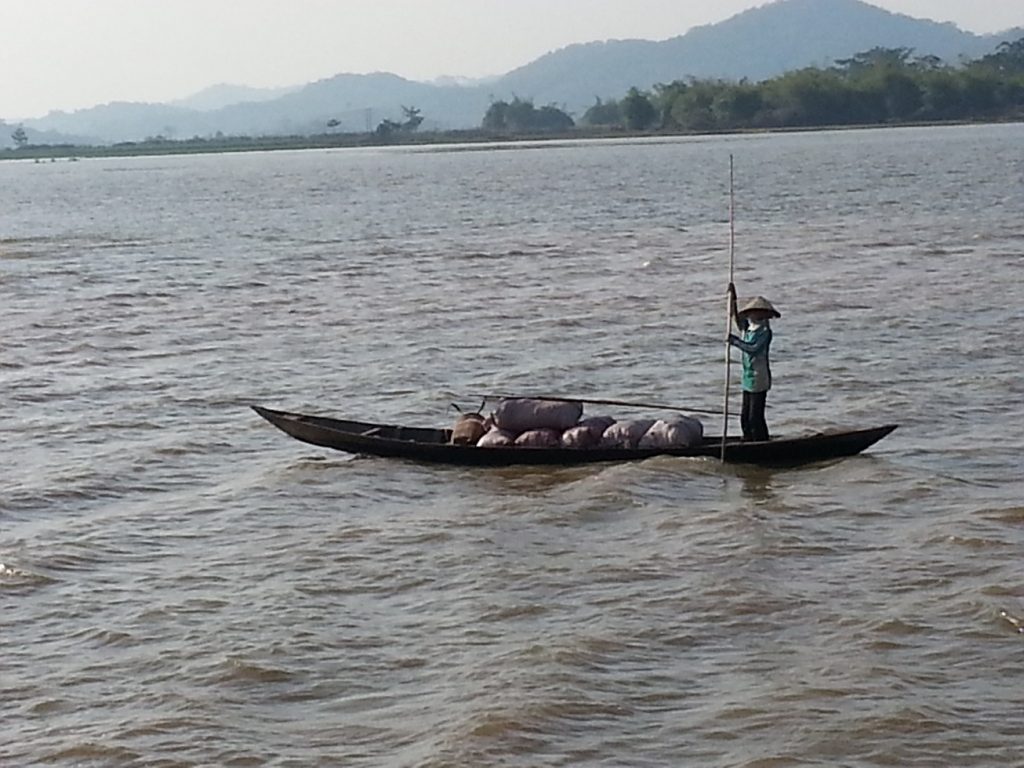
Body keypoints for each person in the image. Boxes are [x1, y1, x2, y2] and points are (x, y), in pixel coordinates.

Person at [727, 283, 781, 442]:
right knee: (744, 416)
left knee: (755, 417)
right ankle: (748, 439)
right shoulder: (748, 328)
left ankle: (761, 441)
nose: (752, 314)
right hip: (747, 377)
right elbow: (735, 317)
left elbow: (753, 349)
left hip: (759, 377)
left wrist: (735, 342)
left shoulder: (765, 332)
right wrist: (733, 297)